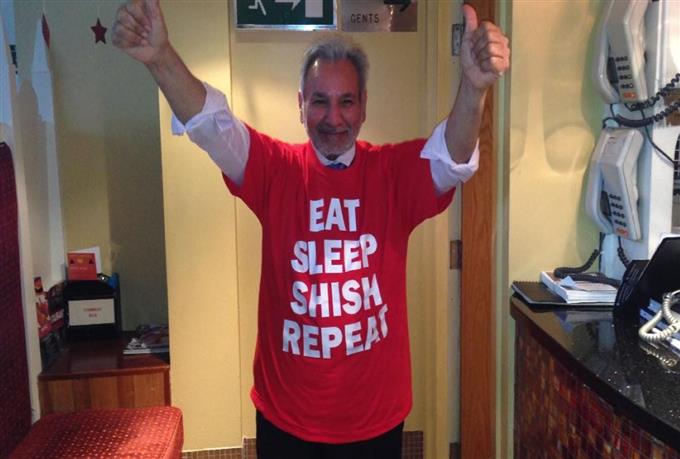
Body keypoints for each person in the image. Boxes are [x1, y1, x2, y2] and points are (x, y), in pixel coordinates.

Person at [112, 1, 510, 458]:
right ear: (301, 106)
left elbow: (451, 158)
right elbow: (213, 127)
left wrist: (474, 89)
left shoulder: (391, 173)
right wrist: (161, 57)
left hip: (374, 419)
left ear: (363, 107)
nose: (334, 118)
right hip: (287, 418)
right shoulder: (276, 169)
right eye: (320, 101)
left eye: (346, 102)